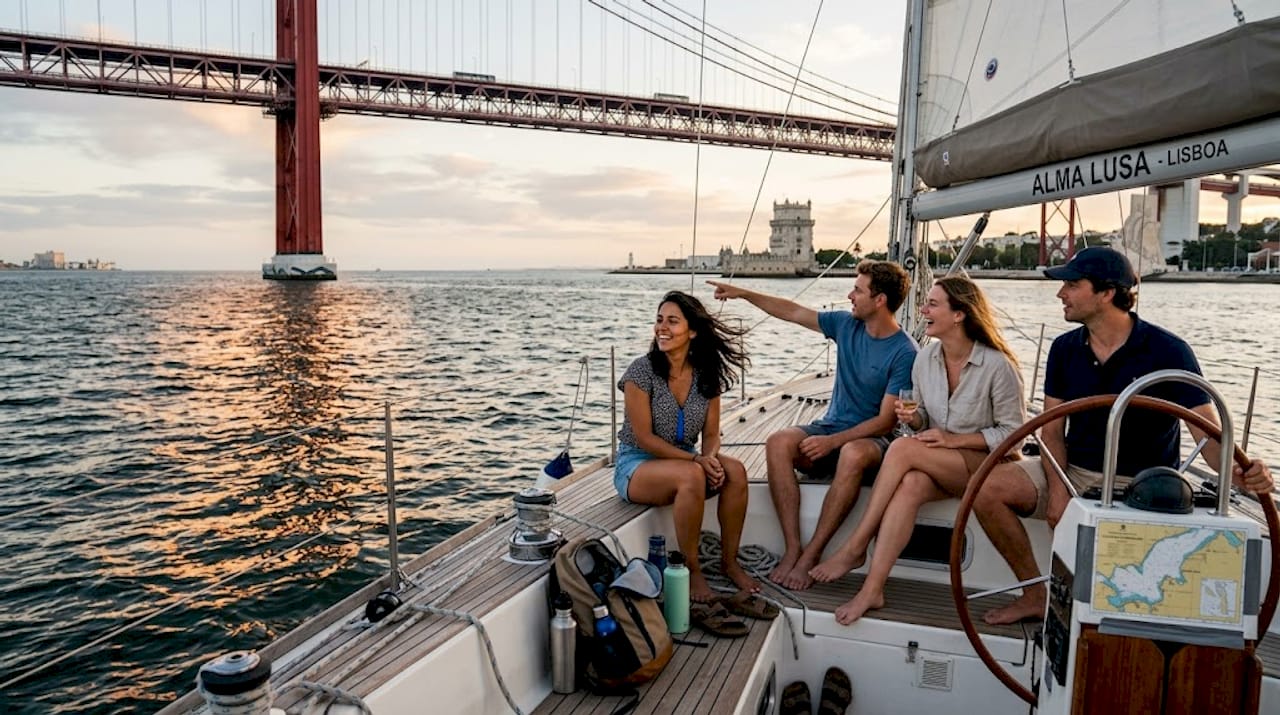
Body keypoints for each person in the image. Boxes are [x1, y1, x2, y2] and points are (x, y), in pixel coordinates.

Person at [975, 247, 1275, 625]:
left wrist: (1243, 473)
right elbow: (1051, 431)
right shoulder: (1064, 349)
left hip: (1144, 485)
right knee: (987, 489)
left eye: (1072, 285)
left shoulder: (1168, 351)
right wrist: (1059, 490)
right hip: (1074, 470)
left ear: (1106, 293)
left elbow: (1208, 436)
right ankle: (1036, 594)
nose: (1060, 294)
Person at [807, 276, 1027, 624]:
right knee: (909, 485)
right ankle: (872, 589)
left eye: (932, 304)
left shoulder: (997, 366)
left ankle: (855, 546)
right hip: (944, 465)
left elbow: (1015, 436)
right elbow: (924, 415)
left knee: (901, 451)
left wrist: (954, 440)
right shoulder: (926, 359)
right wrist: (915, 418)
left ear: (959, 315)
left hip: (988, 468)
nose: (923, 310)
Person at [709, 260, 918, 590]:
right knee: (778, 442)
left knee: (852, 452)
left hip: (873, 442)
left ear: (879, 300)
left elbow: (884, 421)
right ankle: (793, 547)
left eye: (858, 290)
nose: (850, 296)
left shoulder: (904, 351)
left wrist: (832, 442)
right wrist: (744, 293)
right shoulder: (846, 325)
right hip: (831, 427)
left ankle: (812, 554)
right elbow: (792, 312)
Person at [613, 290, 759, 602]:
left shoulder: (706, 374)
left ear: (692, 331)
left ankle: (729, 563)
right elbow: (644, 438)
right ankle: (692, 571)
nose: (662, 328)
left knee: (735, 470)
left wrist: (709, 457)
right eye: (659, 320)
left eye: (672, 321)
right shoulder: (641, 371)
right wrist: (696, 462)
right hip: (637, 464)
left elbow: (712, 434)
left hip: (685, 460)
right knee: (691, 475)